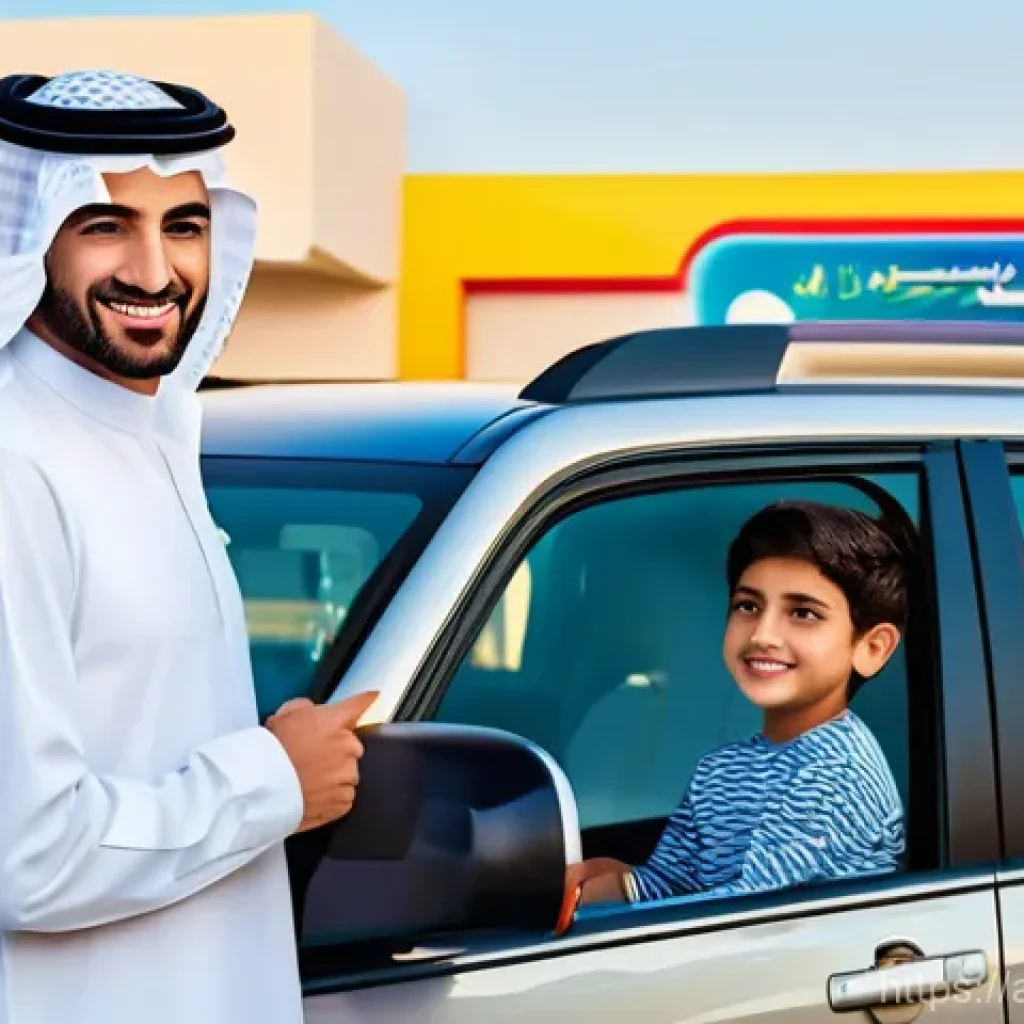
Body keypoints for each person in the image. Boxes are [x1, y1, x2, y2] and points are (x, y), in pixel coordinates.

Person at [0, 70, 375, 1023]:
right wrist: (272, 781)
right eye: (105, 225)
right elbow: (28, 855)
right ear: (28, 236)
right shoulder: (17, 462)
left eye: (183, 225)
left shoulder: (156, 434)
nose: (155, 272)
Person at [569, 500, 911, 907]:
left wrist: (622, 900)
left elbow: (747, 917)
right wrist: (620, 882)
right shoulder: (721, 767)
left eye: (802, 613)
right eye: (748, 606)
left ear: (871, 648)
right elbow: (677, 881)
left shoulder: (836, 775)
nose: (763, 634)